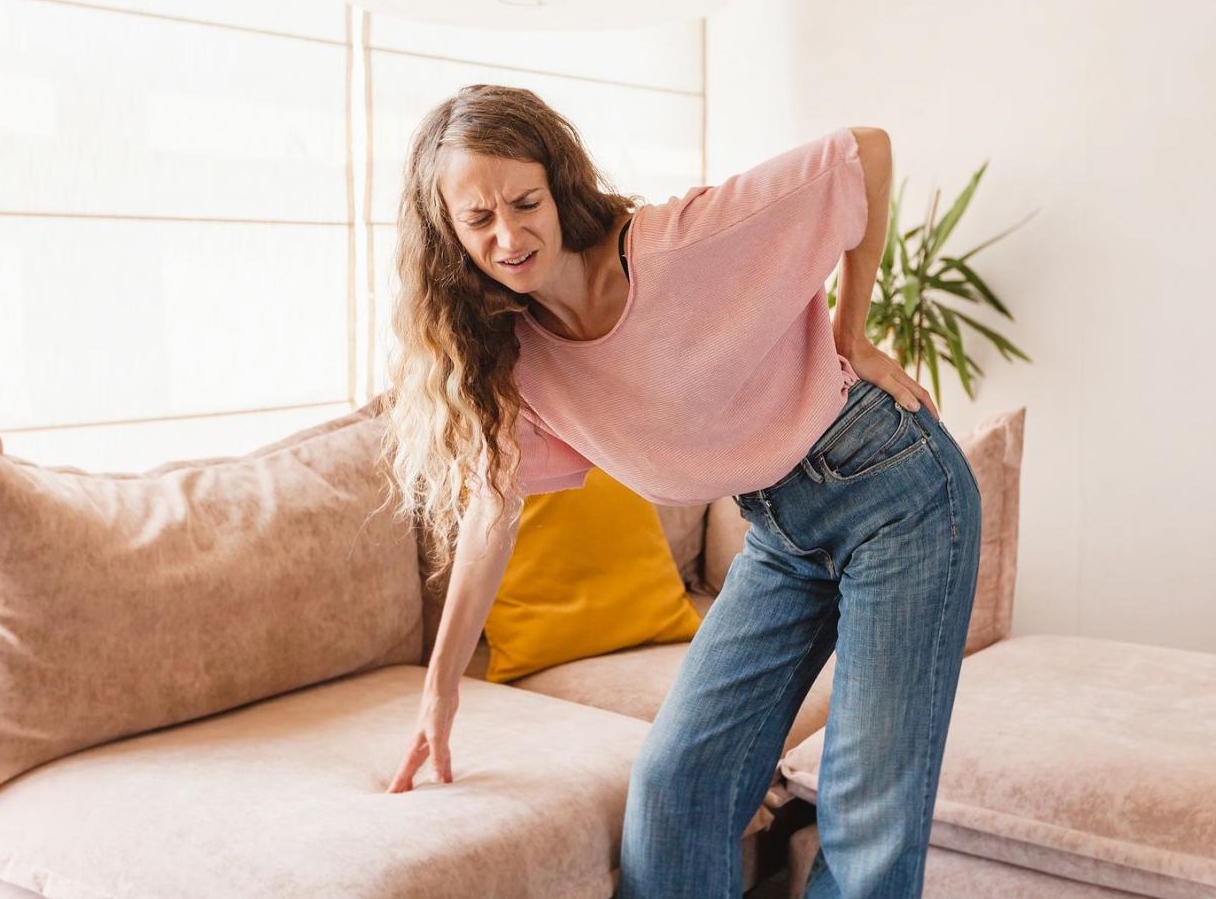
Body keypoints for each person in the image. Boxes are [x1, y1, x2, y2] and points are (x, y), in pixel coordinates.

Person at [375, 83, 982, 899]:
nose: (509, 235)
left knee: (867, 813)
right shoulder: (514, 358)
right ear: (448, 234)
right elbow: (493, 510)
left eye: (525, 202)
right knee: (675, 786)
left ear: (559, 186)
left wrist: (851, 334)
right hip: (781, 531)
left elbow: (864, 150)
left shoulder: (676, 246)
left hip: (897, 494)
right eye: (478, 220)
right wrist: (440, 686)